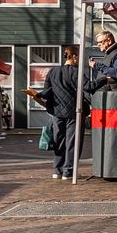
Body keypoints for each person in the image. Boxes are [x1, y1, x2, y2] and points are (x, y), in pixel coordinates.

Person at [41, 45, 93, 179]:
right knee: (72, 142)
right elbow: (89, 87)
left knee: (59, 140)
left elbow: (47, 91)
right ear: (74, 56)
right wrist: (105, 79)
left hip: (57, 112)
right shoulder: (75, 72)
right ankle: (68, 171)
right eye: (79, 57)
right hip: (73, 112)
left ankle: (57, 170)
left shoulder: (52, 71)